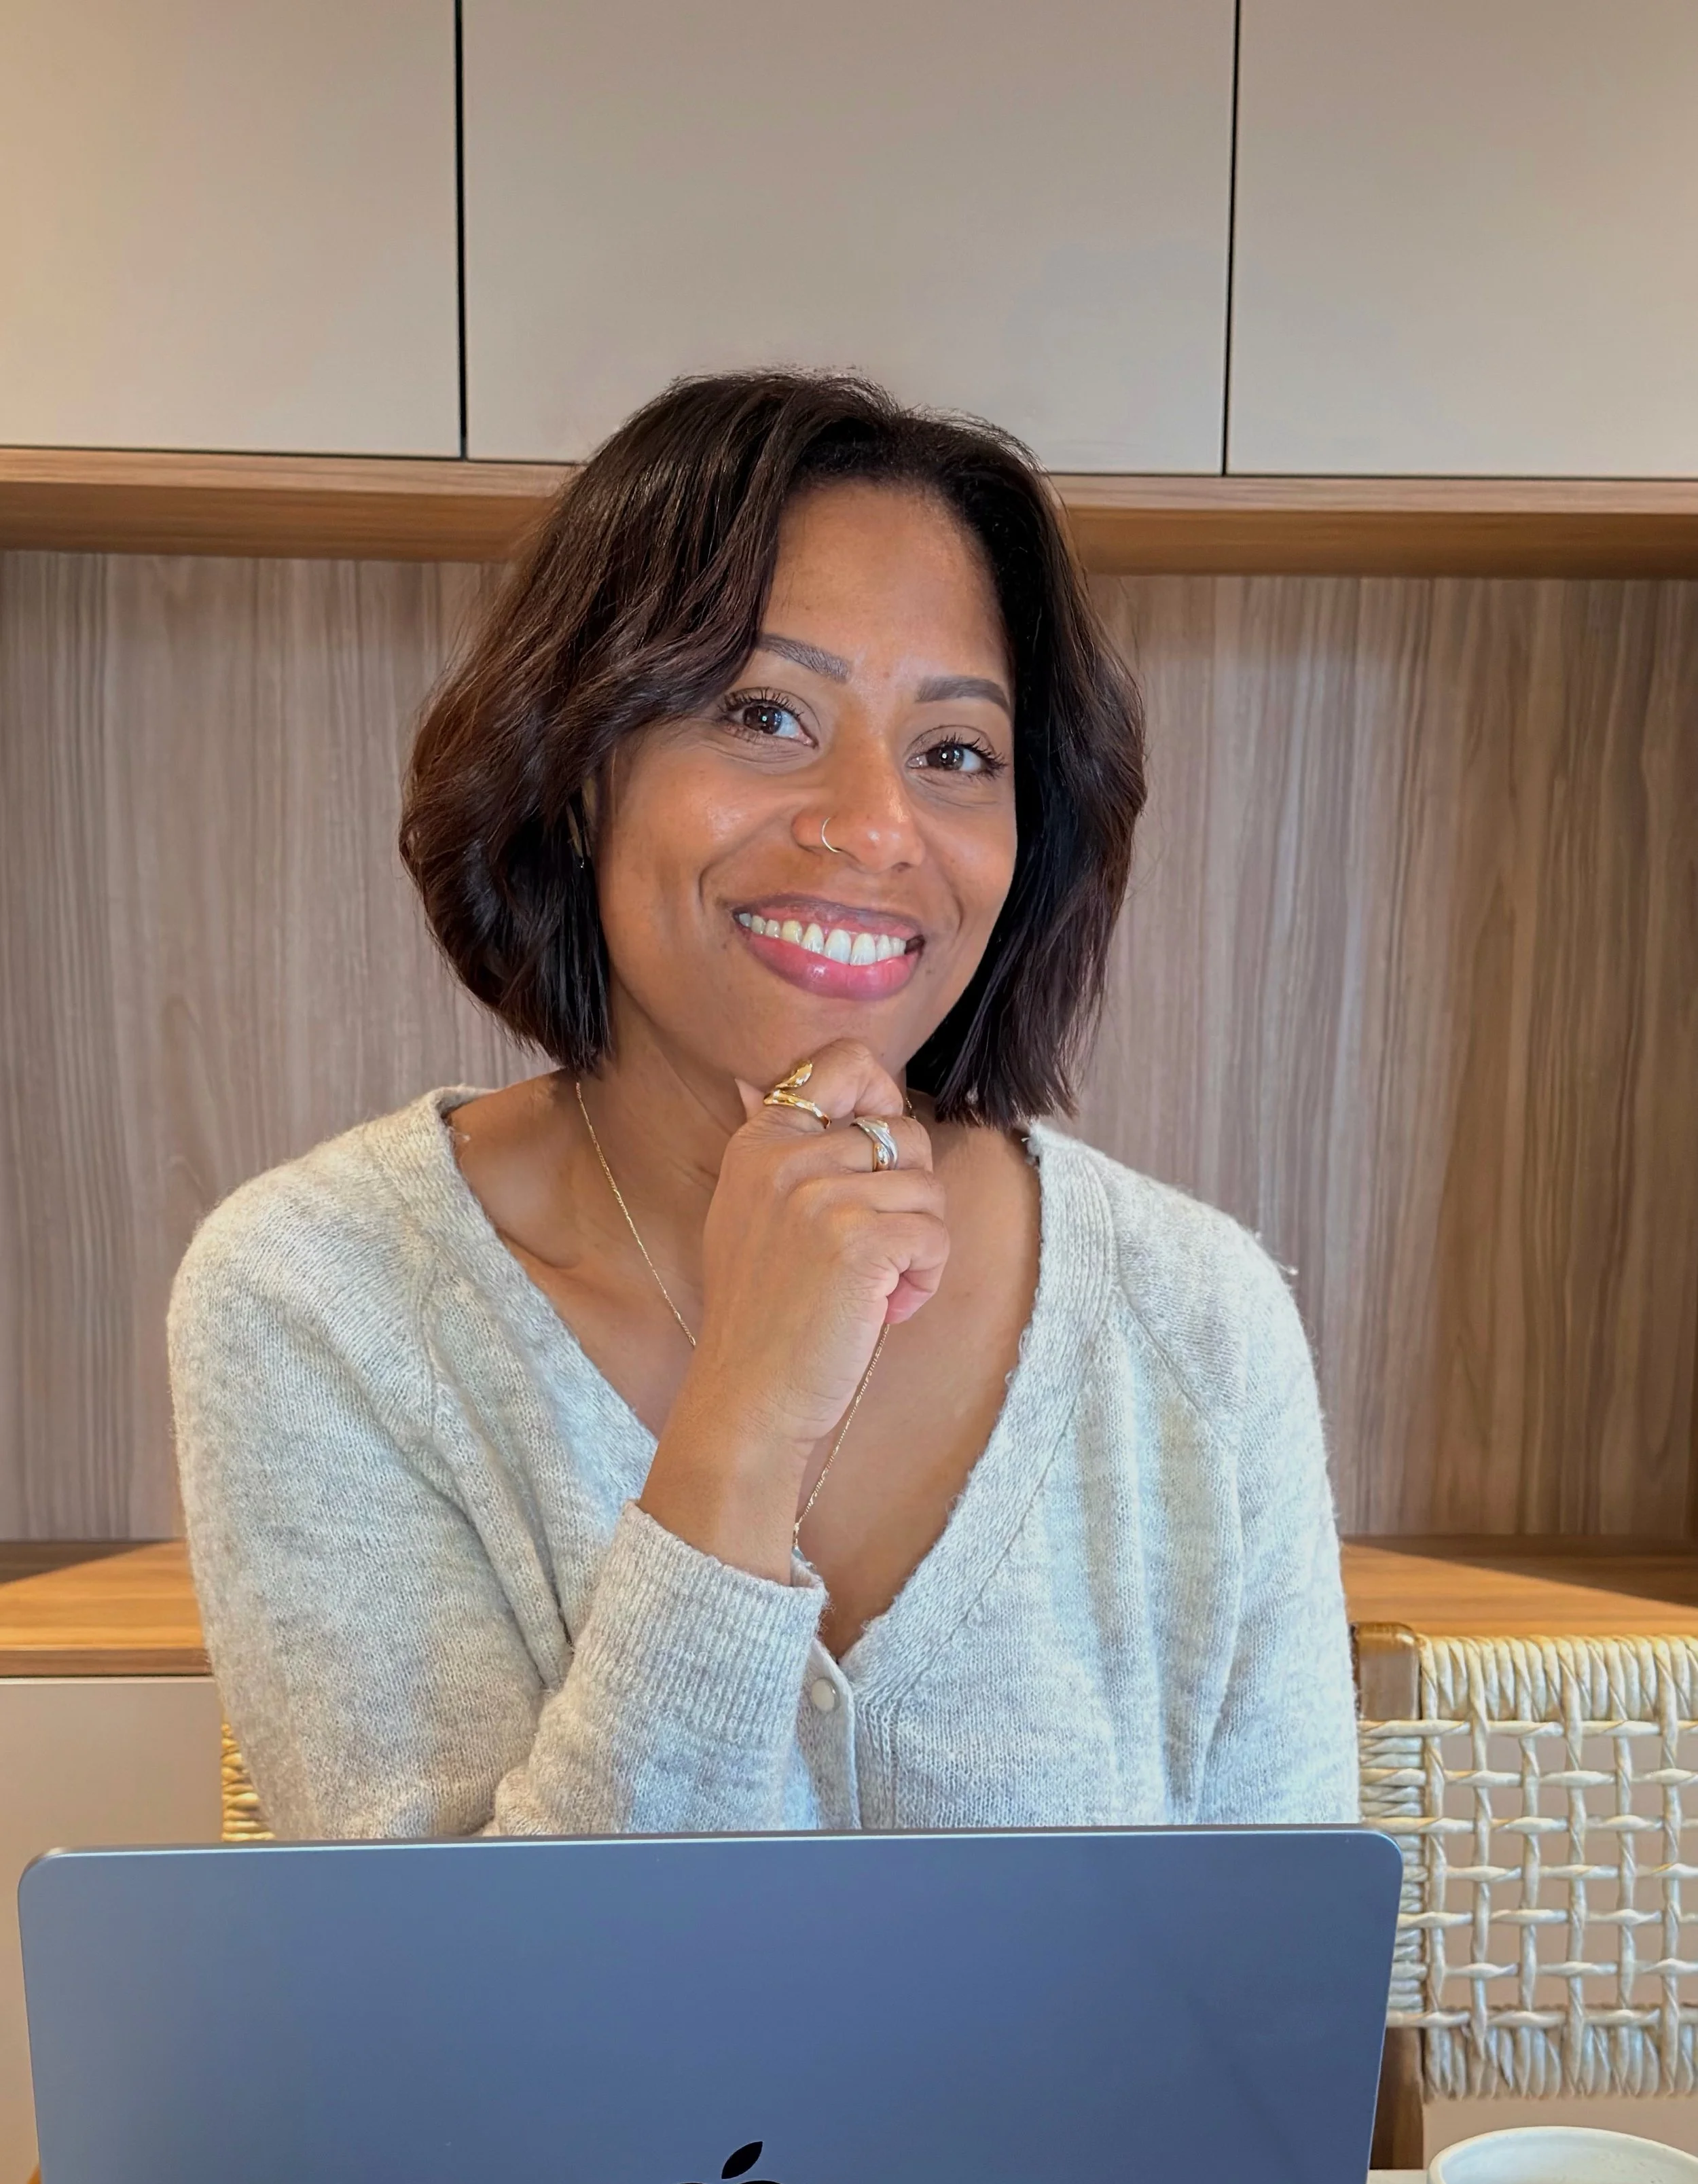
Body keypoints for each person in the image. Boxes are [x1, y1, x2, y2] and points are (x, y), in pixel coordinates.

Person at [168, 370, 1358, 1841]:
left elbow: (1269, 2014)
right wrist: (744, 1418)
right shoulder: (322, 1298)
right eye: (762, 712)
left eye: (954, 752)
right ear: (580, 767)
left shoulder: (1196, 1319)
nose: (871, 822)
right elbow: (480, 2046)